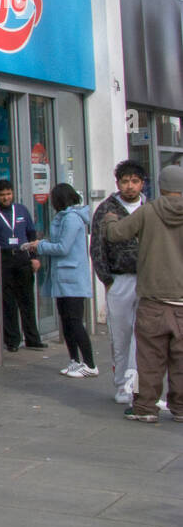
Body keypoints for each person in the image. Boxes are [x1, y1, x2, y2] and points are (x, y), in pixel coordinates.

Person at [103, 163, 183, 422]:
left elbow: (116, 234)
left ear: (160, 186)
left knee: (148, 358)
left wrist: (110, 219)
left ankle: (145, 407)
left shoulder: (148, 211)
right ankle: (180, 408)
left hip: (153, 300)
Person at [22, 183, 94, 376]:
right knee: (67, 321)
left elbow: (63, 247)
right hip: (63, 278)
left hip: (72, 279)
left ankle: (90, 364)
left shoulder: (71, 219)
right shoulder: (63, 217)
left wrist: (40, 246)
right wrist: (41, 243)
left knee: (75, 321)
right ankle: (74, 360)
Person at [90, 160, 146, 403]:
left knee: (143, 337)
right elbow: (97, 248)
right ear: (118, 183)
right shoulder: (106, 210)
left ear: (142, 183)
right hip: (119, 280)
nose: (130, 186)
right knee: (121, 337)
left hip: (147, 281)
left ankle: (139, 387)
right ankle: (122, 385)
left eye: (134, 181)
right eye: (125, 181)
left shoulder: (149, 208)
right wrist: (107, 280)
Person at [0, 179, 43, 352]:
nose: (6, 198)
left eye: (8, 194)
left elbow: (31, 234)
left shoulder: (21, 210)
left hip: (22, 256)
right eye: (2, 195)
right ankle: (12, 340)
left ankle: (33, 339)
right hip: (3, 260)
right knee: (8, 303)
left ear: (13, 193)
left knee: (27, 301)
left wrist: (35, 257)